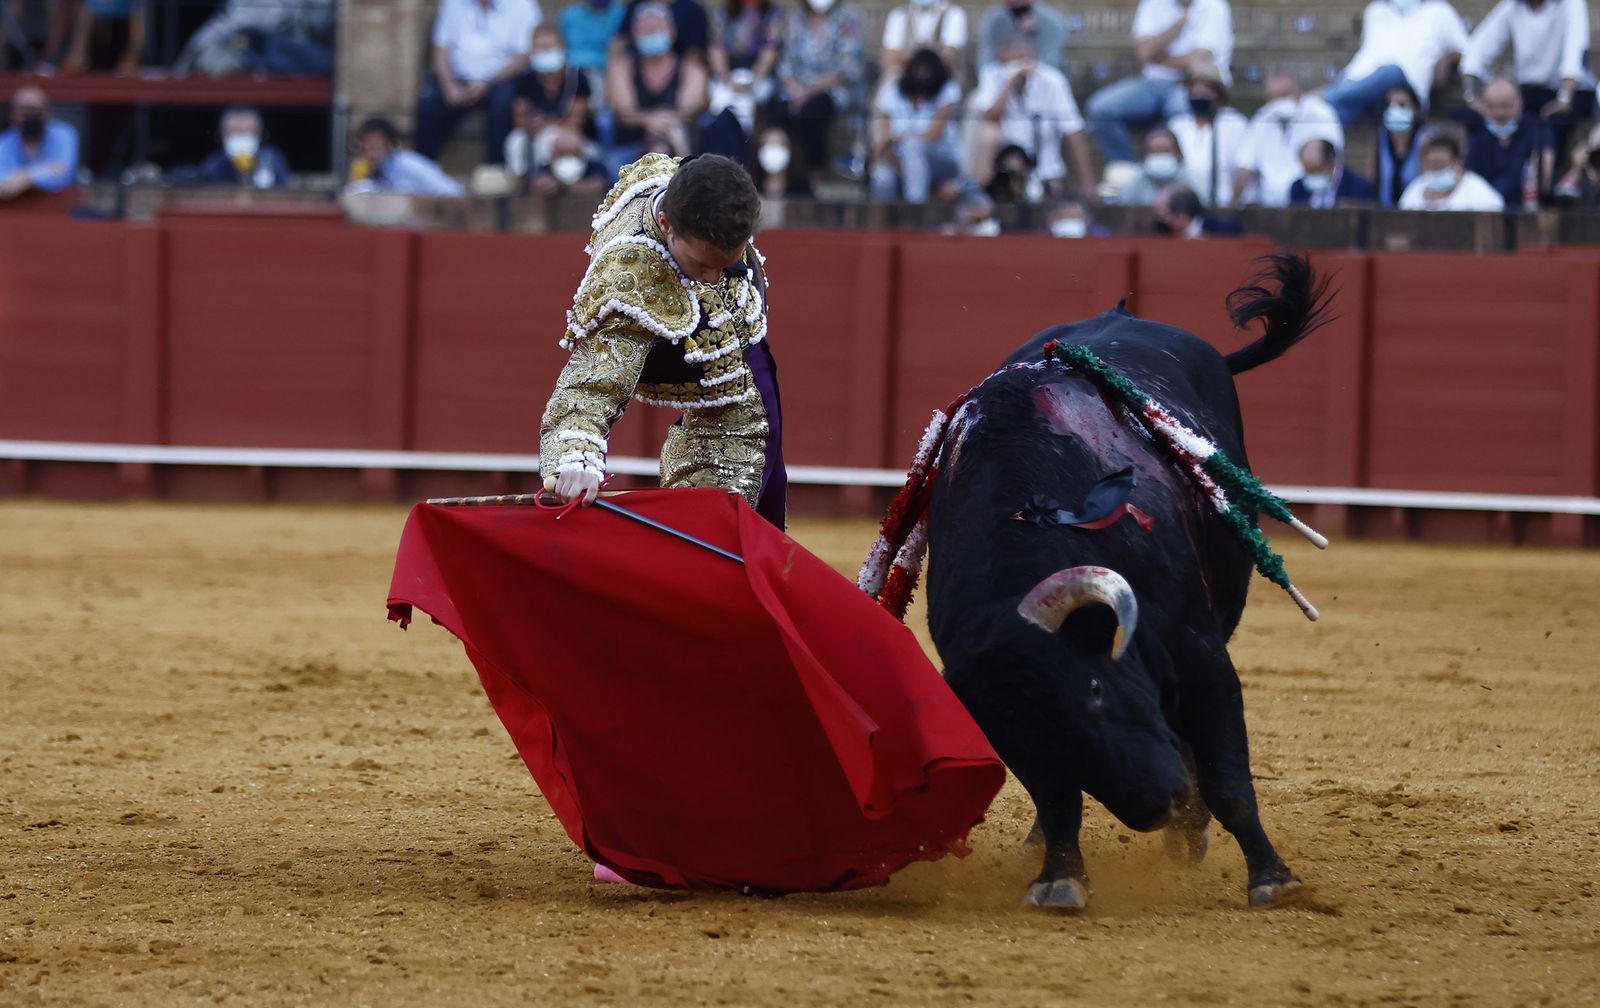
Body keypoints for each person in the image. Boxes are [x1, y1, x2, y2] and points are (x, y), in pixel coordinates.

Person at [539, 152, 786, 528]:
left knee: (744, 519)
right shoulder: (633, 275)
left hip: (740, 368)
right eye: (702, 266)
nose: (713, 278)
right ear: (666, 224)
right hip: (727, 402)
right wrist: (577, 456)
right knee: (713, 538)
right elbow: (592, 383)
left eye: (726, 263)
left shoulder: (692, 187)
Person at [1082, 0, 1234, 167]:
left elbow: (1197, 61)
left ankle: (1181, 175)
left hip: (1193, 84)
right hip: (1152, 83)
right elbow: (1144, 52)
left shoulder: (1214, 6)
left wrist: (1159, 57)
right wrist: (1181, 21)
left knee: (1181, 111)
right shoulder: (1153, 3)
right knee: (1100, 109)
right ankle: (1127, 172)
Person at [1462, 0, 1593, 162]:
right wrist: (1471, 96)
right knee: (1477, 118)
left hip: (1571, 93)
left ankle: (1544, 182)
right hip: (1528, 94)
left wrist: (1564, 97)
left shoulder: (1571, 4)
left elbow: (1575, 51)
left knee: (1550, 127)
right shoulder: (1511, 6)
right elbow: (1478, 49)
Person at [415, 0, 540, 166]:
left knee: (503, 104)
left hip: (501, 79)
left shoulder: (522, 5)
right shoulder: (452, 4)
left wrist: (488, 84)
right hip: (459, 80)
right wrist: (449, 86)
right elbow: (440, 50)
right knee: (429, 103)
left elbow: (525, 55)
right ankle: (420, 168)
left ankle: (496, 169)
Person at [968, 36, 1093, 202]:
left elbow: (1072, 130)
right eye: (1012, 62)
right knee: (988, 134)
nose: (1018, 66)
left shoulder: (1053, 81)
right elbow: (990, 116)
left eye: (1023, 60)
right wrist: (1010, 84)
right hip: (1003, 170)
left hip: (1045, 170)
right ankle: (977, 195)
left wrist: (1087, 182)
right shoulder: (992, 75)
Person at [1323, 0, 1467, 126]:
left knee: (1391, 71)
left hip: (1406, 88)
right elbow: (1366, 52)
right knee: (1331, 114)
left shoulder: (1439, 11)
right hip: (1363, 86)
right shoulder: (1375, 10)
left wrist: (1447, 60)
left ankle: (1325, 95)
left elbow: (1467, 52)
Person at [772, 0, 864, 190]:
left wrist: (808, 91)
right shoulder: (796, 18)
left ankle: (815, 178)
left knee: (812, 112)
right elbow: (785, 61)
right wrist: (794, 87)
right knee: (777, 111)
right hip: (794, 89)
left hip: (830, 88)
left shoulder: (848, 18)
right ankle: (778, 178)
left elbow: (845, 66)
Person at [605, 2, 710, 159]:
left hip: (680, 142)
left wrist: (661, 124)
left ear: (672, 31)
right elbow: (624, 113)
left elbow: (691, 109)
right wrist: (649, 120)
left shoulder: (692, 69)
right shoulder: (621, 68)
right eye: (646, 30)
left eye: (657, 29)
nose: (652, 34)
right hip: (631, 146)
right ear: (634, 35)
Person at [1231, 71, 1341, 207]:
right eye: (1273, 97)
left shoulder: (1320, 114)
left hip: (1308, 202)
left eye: (1284, 95)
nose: (1279, 102)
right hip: (1269, 206)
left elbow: (1329, 160)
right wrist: (1234, 207)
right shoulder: (1262, 118)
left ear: (1298, 93)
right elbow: (1245, 165)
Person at [870, 46, 963, 203]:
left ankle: (915, 212)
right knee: (882, 177)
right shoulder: (891, 91)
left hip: (942, 162)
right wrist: (903, 167)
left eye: (928, 71)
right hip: (898, 161)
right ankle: (880, 226)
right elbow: (883, 143)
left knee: (913, 147)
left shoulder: (949, 91)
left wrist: (898, 138)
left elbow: (932, 136)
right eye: (919, 70)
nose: (922, 76)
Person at [1164, 60, 1248, 206]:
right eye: (1194, 86)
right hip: (1184, 206)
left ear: (1219, 92)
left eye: (1206, 87)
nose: (1198, 92)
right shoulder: (1177, 124)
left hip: (1224, 202)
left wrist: (1233, 205)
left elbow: (1244, 168)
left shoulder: (1235, 124)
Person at [1459, 78, 1542, 207]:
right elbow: (1471, 178)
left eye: (1505, 106)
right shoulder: (1477, 137)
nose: (1498, 113)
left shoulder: (1536, 132)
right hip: (1485, 209)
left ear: (1520, 104)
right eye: (1491, 107)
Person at [706, 0, 781, 133]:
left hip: (759, 74)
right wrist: (727, 79)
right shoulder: (722, 12)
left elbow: (771, 49)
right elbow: (716, 48)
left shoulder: (772, 13)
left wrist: (753, 80)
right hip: (729, 72)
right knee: (720, 103)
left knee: (752, 105)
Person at [346, 117, 466, 197]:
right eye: (367, 146)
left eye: (376, 146)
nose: (372, 153)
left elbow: (451, 191)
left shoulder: (409, 164)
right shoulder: (364, 171)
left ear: (389, 144)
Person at [516, 25, 596, 141]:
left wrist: (545, 123)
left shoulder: (577, 79)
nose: (545, 52)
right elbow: (520, 119)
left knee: (566, 143)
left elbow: (575, 122)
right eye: (540, 48)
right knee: (517, 140)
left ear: (562, 48)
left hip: (574, 139)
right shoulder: (525, 80)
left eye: (549, 47)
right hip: (534, 136)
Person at [0, 85, 77, 203]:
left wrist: (24, 177)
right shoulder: (4, 141)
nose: (31, 116)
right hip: (14, 209)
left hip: (58, 208)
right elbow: (3, 185)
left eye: (36, 110)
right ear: (13, 114)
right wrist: (42, 172)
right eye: (24, 110)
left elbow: (63, 174)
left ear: (48, 113)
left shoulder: (64, 134)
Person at [1398, 132, 1504, 210]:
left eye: (1441, 164)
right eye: (1432, 165)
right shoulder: (1415, 189)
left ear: (1457, 162)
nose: (1436, 170)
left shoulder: (1478, 191)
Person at [198, 106, 292, 188]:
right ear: (223, 134)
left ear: (259, 133)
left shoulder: (273, 158)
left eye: (248, 130)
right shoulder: (212, 164)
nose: (241, 136)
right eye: (235, 130)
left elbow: (284, 190)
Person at [878, 0, 967, 83]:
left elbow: (949, 57)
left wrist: (910, 57)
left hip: (940, 82)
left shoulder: (953, 13)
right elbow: (888, 59)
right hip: (904, 83)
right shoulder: (898, 15)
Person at [1374, 83, 1432, 206]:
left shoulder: (1426, 139)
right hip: (1385, 215)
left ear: (1416, 110)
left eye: (1402, 105)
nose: (1395, 111)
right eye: (1390, 105)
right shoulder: (1381, 137)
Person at [975, 0, 1069, 74]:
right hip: (1002, 82)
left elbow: (1051, 62)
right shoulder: (994, 20)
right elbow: (986, 63)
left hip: (1042, 83)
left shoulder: (1052, 21)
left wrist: (1024, 71)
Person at [559, 0, 627, 94]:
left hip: (606, 69)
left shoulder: (621, 13)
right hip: (572, 71)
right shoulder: (569, 15)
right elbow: (561, 46)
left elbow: (621, 44)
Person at [60, 0, 144, 74]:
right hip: (95, 13)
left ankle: (132, 57)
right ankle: (78, 57)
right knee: (86, 11)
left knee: (139, 8)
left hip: (127, 11)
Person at [1286, 138, 1375, 207]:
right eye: (1308, 172)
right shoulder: (1297, 188)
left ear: (1331, 164)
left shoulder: (1359, 188)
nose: (1312, 177)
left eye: (1316, 171)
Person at [526, 124, 610, 194]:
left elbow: (598, 186)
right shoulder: (545, 168)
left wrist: (562, 186)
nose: (568, 159)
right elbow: (537, 184)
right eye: (562, 154)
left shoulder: (595, 167)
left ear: (582, 153)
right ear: (553, 154)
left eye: (574, 154)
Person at [1117, 125, 1186, 205]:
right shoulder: (1134, 181)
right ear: (1145, 155)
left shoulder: (1188, 179)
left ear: (1177, 154)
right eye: (1155, 152)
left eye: (1165, 151)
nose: (1160, 157)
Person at [1153, 182, 1241, 236]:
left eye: (1162, 209)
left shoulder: (1225, 230)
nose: (1158, 215)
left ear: (1181, 215)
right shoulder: (1161, 232)